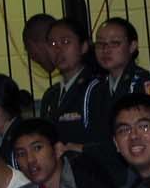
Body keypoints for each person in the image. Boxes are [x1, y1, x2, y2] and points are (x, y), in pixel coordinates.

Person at [39, 17, 104, 148]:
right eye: (52, 44)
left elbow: (104, 140)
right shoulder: (50, 95)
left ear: (84, 47)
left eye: (65, 42)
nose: (58, 49)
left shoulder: (97, 87)